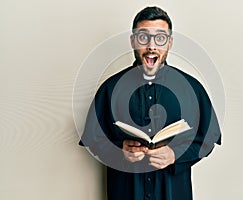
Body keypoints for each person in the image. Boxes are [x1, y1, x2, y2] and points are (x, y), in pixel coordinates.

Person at [79, 6, 221, 200]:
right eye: (143, 37)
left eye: (160, 38)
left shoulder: (191, 88)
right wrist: (120, 153)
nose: (151, 46)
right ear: (133, 41)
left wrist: (175, 155)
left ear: (170, 43)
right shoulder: (110, 89)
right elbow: (94, 140)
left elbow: (208, 137)